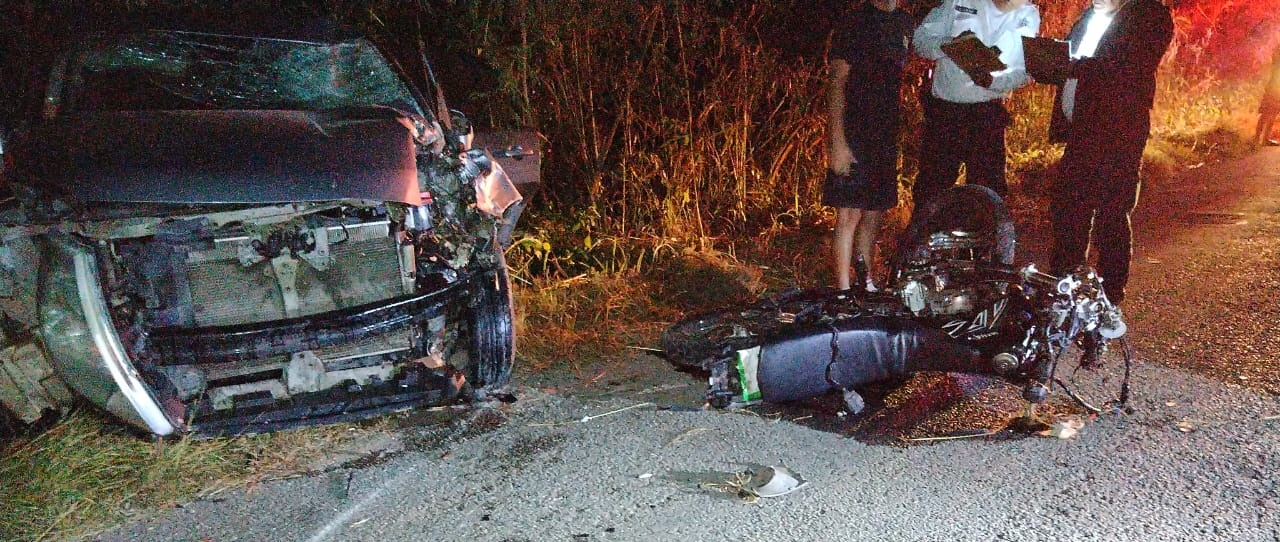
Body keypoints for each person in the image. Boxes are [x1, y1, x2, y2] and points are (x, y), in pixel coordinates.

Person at [1045, 0, 1173, 305]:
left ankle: (1109, 295)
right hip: (1081, 130)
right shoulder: (1088, 17)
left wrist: (1075, 65)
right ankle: (1066, 284)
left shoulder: (1150, 15)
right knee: (1069, 207)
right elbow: (1069, 59)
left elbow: (1132, 65)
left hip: (1119, 129)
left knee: (1111, 211)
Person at [911, 0, 1040, 209]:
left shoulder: (1028, 14)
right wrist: (949, 45)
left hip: (987, 115)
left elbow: (1026, 71)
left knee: (987, 193)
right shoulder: (960, 2)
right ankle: (923, 238)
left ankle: (983, 240)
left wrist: (994, 82)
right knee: (930, 191)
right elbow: (920, 40)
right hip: (946, 113)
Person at [826, 0, 915, 292]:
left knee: (874, 215)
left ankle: (865, 286)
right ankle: (841, 291)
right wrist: (837, 142)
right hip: (854, 129)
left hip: (885, 133)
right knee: (849, 214)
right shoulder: (854, 22)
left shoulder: (905, 22)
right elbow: (837, 81)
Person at [1254, 46, 1280, 146]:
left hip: (1275, 87)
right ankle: (1257, 139)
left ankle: (1264, 138)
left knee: (1273, 113)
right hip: (1274, 87)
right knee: (1266, 113)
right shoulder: (1277, 55)